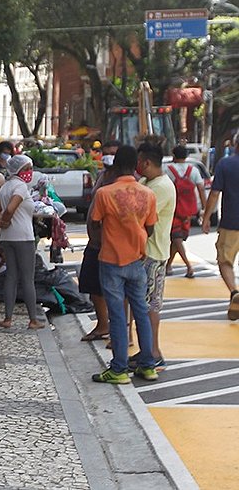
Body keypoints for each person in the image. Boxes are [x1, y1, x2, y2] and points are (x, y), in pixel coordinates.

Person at [90, 146, 159, 384]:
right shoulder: (148, 194)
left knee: (117, 315)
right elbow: (150, 228)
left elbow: (95, 224)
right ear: (136, 166)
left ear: (116, 165)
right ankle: (148, 365)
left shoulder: (104, 194)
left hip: (110, 260)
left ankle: (119, 369)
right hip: (137, 261)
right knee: (141, 311)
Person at [0, 155, 46, 329]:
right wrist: (6, 219)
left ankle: (8, 318)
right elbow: (10, 209)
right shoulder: (20, 187)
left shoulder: (6, 186)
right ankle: (33, 319)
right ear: (20, 170)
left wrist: (3, 222)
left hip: (8, 237)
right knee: (27, 279)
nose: (30, 172)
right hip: (24, 237)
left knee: (11, 277)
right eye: (27, 168)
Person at [135, 142, 175, 369]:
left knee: (149, 305)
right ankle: (147, 351)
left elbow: (142, 218)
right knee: (145, 303)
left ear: (147, 163)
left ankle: (153, 353)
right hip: (146, 253)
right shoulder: (146, 182)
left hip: (153, 253)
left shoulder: (161, 187)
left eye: (139, 162)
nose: (136, 166)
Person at [202, 130, 239, 320]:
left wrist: (207, 217)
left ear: (235, 144)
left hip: (231, 223)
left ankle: (234, 292)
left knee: (225, 261)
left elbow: (215, 194)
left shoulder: (225, 164)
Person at [79, 169, 117, 342]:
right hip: (95, 244)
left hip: (106, 245)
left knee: (109, 290)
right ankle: (103, 325)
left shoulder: (116, 186)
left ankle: (116, 330)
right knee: (93, 287)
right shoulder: (104, 175)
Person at [166, 145, 206, 278]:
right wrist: (204, 209)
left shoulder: (168, 170)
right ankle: (179, 266)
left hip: (173, 210)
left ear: (174, 156)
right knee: (177, 238)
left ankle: (178, 266)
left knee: (176, 239)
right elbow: (201, 189)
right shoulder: (193, 170)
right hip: (188, 212)